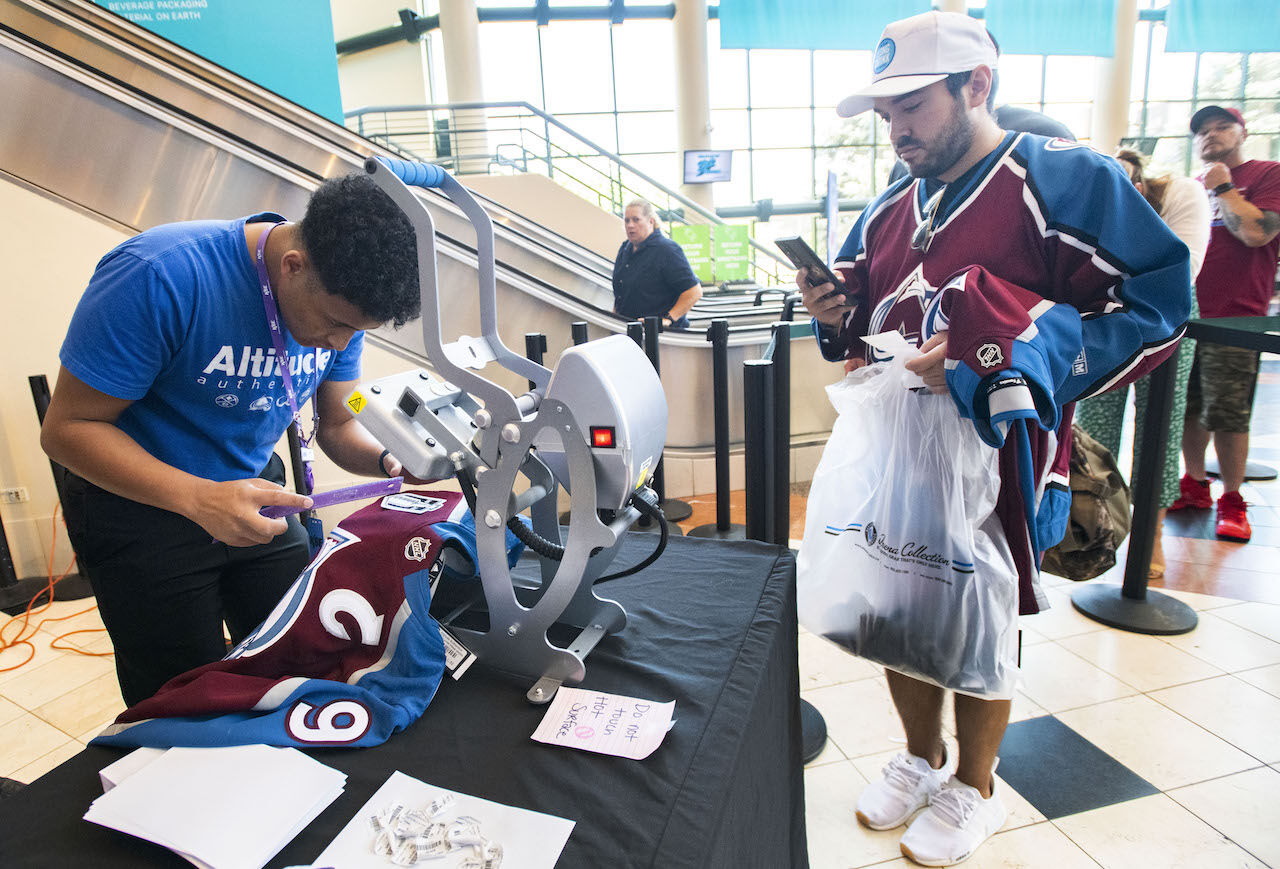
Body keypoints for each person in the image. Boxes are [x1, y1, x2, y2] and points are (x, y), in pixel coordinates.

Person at [797, 11, 1188, 866]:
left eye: (913, 106)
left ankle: (977, 783)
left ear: (976, 86)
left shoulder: (1063, 180)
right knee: (893, 601)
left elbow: (1156, 307)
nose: (894, 129)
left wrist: (1008, 352)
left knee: (978, 611)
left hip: (1001, 450)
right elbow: (870, 311)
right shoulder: (893, 204)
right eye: (884, 112)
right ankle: (918, 753)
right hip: (896, 446)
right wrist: (838, 314)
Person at [41, 173, 422, 706]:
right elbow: (68, 431)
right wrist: (199, 499)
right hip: (140, 507)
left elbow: (337, 426)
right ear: (293, 267)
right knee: (182, 695)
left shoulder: (341, 309)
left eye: (356, 333)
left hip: (253, 494)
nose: (340, 343)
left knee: (294, 658)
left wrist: (389, 460)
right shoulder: (160, 276)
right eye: (336, 325)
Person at [1075, 149, 1209, 577]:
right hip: (1102, 315)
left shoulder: (1181, 192)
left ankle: (1152, 535)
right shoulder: (1086, 200)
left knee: (1161, 429)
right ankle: (1092, 528)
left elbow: (1182, 270)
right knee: (1095, 427)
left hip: (1168, 316)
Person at [1170, 105, 1280, 542]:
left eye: (1221, 128)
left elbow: (1258, 234)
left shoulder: (1266, 174)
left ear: (1243, 132)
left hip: (1237, 317)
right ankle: (1194, 483)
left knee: (1229, 412)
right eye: (1201, 131)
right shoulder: (1192, 188)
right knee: (1188, 407)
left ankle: (1232, 499)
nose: (1209, 136)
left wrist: (1226, 188)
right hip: (1188, 313)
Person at [612, 199, 703, 329]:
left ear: (651, 221)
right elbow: (621, 293)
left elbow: (694, 291)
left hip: (659, 336)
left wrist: (668, 319)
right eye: (627, 220)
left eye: (636, 220)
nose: (630, 225)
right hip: (628, 331)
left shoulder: (666, 249)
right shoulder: (625, 248)